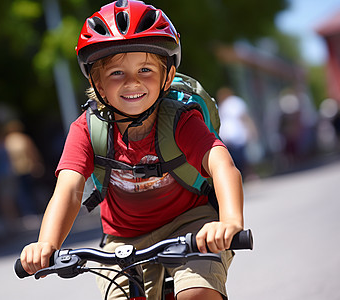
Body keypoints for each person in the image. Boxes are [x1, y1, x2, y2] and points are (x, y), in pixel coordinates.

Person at [20, 1, 244, 299]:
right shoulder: (86, 130)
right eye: (116, 73)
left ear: (168, 75)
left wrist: (229, 222)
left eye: (145, 69)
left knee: (196, 294)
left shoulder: (180, 119)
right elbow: (69, 190)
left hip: (190, 223)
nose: (132, 82)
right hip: (122, 239)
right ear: (96, 81)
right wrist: (47, 243)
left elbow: (221, 165)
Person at [216, 87, 257, 177]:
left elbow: (244, 117)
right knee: (237, 158)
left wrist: (251, 129)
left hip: (237, 135)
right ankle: (244, 176)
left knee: (242, 158)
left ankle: (249, 175)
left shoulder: (234, 102)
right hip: (230, 137)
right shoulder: (223, 105)